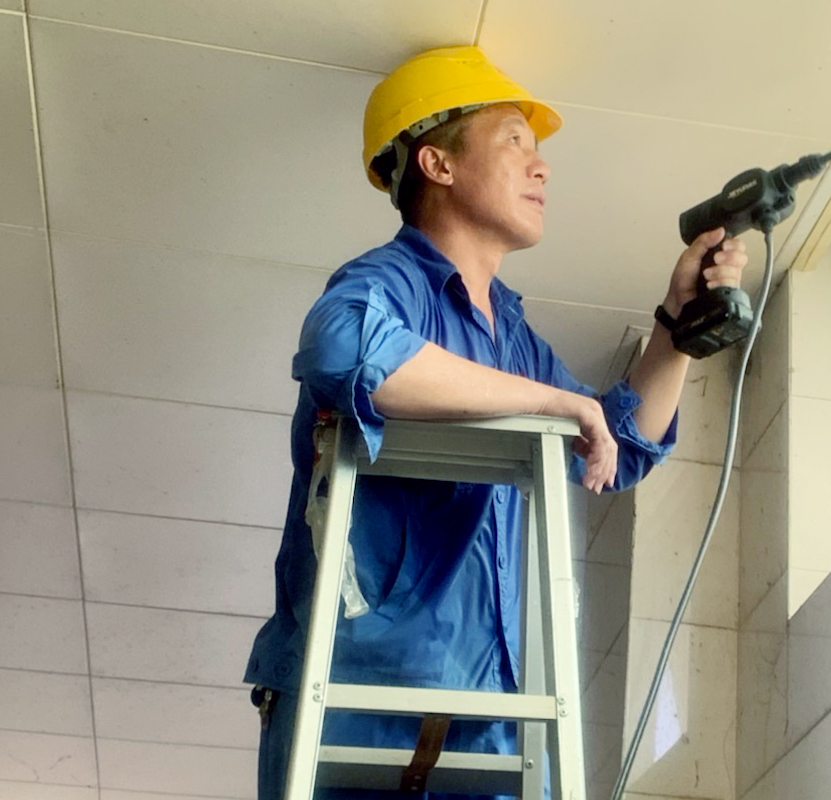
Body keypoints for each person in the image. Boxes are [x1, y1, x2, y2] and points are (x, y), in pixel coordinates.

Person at [243, 46, 748, 798]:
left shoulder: (510, 338)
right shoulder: (389, 285)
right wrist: (549, 401)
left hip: (487, 708)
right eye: (514, 140)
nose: (541, 168)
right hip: (358, 695)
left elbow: (617, 446)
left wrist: (676, 328)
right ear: (438, 164)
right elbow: (341, 348)